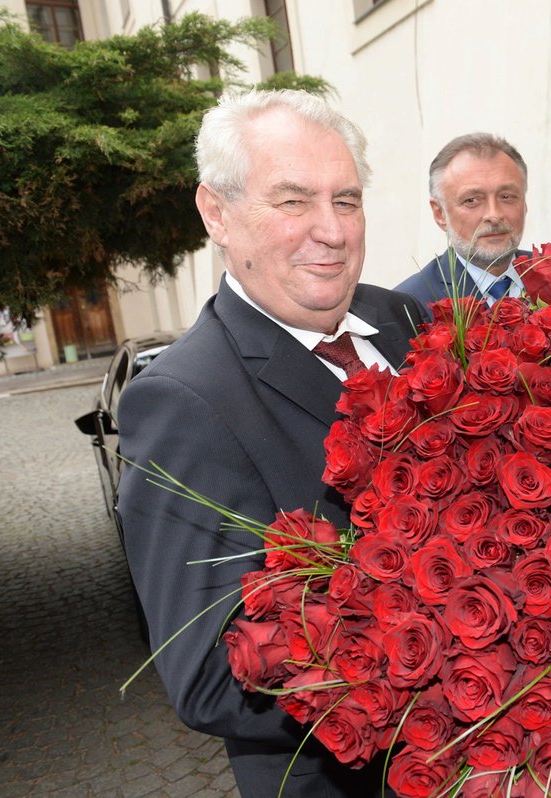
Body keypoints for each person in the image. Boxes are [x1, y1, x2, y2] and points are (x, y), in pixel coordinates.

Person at [116, 89, 423, 797]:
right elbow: (206, 676)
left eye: (346, 201)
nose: (332, 231)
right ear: (216, 213)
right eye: (292, 202)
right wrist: (453, 674)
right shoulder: (185, 401)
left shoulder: (406, 317)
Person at [395, 132, 529, 307]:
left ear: (525, 204)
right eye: (471, 200)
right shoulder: (412, 304)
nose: (494, 215)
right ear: (440, 214)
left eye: (506, 196)